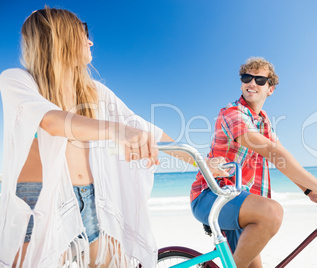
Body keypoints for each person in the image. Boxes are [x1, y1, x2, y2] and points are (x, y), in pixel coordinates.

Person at [0, 7, 227, 267]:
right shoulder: (18, 81)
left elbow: (148, 130)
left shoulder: (94, 91)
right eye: (83, 31)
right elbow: (50, 121)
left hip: (92, 200)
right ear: (60, 35)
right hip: (35, 205)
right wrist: (118, 131)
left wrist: (202, 164)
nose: (90, 41)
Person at [190, 57, 317, 268]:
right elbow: (271, 152)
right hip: (213, 197)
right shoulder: (232, 114)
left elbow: (280, 154)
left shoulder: (263, 121)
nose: (252, 83)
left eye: (260, 80)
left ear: (270, 89)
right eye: (247, 78)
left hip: (240, 201)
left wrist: (309, 191)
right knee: (272, 212)